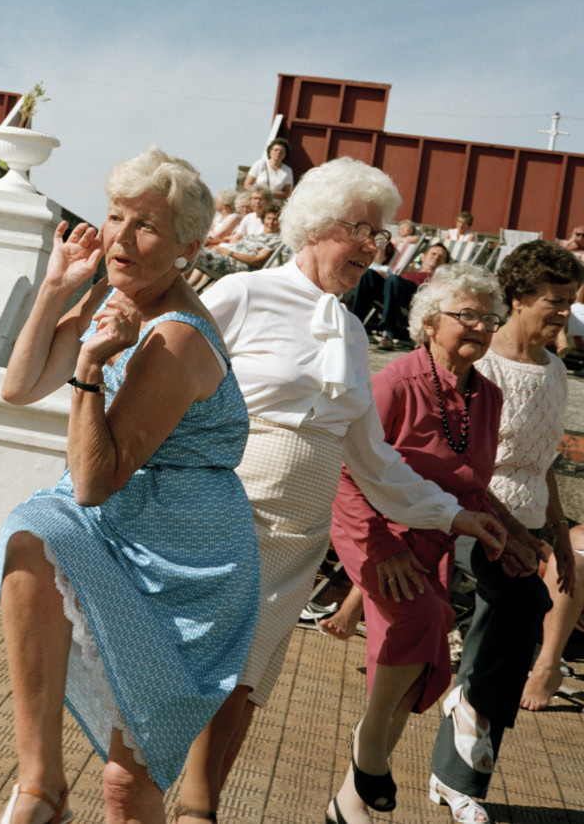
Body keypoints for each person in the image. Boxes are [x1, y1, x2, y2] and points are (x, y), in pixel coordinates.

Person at [177, 157, 507, 824]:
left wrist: (453, 516)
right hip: (229, 514)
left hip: (300, 537)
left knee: (248, 683)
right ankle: (189, 808)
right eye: (360, 230)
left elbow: (373, 458)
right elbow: (171, 390)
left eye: (378, 235)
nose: (371, 247)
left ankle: (196, 808)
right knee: (209, 673)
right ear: (314, 225)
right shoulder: (243, 293)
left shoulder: (352, 331)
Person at [0, 147, 260, 824]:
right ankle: (41, 787)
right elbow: (19, 387)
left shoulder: (175, 339)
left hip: (186, 560)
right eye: (116, 216)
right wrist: (57, 288)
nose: (120, 237)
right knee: (29, 540)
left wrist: (88, 368)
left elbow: (92, 482)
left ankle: (53, 794)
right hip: (119, 531)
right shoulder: (117, 296)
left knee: (126, 783)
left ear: (187, 249)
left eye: (146, 226)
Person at [326, 264, 538, 824]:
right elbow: (345, 471)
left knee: (417, 668)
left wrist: (516, 537)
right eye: (466, 315)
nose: (481, 327)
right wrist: (381, 548)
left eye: (489, 319)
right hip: (375, 530)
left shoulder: (488, 396)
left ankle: (349, 803)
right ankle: (369, 742)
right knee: (421, 622)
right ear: (427, 322)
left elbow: (471, 485)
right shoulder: (393, 384)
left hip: (435, 536)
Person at [474, 242, 584, 715]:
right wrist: (514, 534)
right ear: (518, 298)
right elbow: (460, 465)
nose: (564, 311)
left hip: (534, 524)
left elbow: (543, 462)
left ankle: (474, 735)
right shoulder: (482, 362)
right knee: (515, 617)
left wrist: (558, 535)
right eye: (554, 300)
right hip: (477, 520)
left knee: (495, 649)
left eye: (570, 300)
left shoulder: (555, 370)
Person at [349, 241, 451, 349]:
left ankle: (387, 333)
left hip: (415, 297)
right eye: (433, 254)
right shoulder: (409, 270)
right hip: (394, 292)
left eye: (441, 257)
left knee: (394, 280)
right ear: (423, 257)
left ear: (444, 264)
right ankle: (353, 324)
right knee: (369, 274)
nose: (436, 257)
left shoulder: (439, 279)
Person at [192, 204, 282, 280]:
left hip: (235, 265)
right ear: (263, 219)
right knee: (192, 250)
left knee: (193, 253)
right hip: (225, 257)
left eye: (275, 220)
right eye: (268, 218)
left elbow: (256, 261)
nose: (271, 222)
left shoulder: (274, 240)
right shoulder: (256, 236)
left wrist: (229, 253)